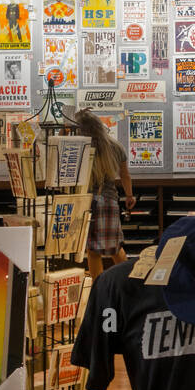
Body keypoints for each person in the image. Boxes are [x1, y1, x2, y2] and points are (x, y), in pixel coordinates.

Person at [76, 110, 135, 278]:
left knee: (92, 249)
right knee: (115, 247)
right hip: (108, 200)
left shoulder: (80, 146)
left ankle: (97, 287)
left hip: (86, 201)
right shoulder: (116, 146)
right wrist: (129, 196)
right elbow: (125, 175)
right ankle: (128, 281)